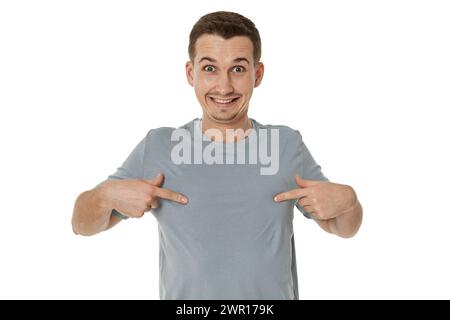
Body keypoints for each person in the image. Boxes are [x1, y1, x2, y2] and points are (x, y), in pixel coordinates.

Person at [72, 11, 363, 300]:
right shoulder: (160, 146)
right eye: (210, 69)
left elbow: (343, 227)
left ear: (257, 74)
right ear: (191, 73)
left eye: (237, 69)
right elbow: (80, 225)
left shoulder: (285, 145)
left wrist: (349, 202)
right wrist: (105, 196)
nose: (224, 87)